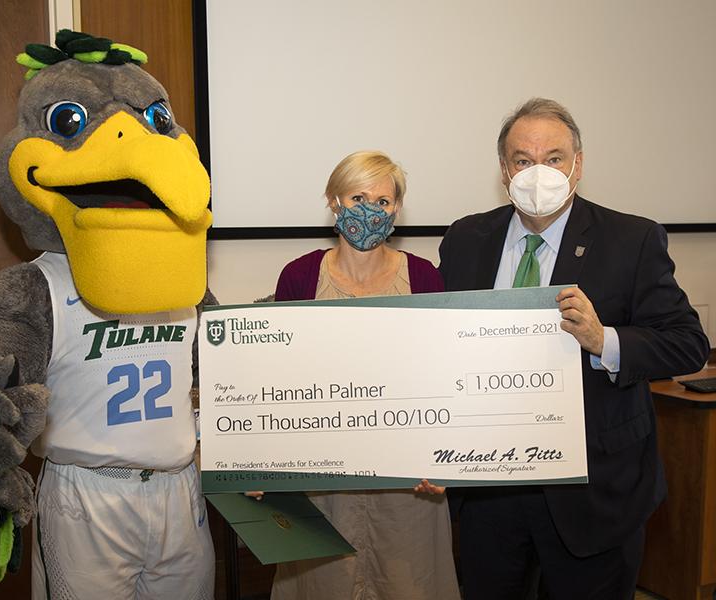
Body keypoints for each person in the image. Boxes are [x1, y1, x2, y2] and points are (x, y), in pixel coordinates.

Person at [434, 98, 710, 599]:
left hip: (594, 490)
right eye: (523, 160)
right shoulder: (465, 239)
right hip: (488, 491)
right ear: (503, 170)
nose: (538, 172)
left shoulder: (632, 238)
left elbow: (688, 343)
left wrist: (605, 340)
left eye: (554, 158)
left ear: (578, 165)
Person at [269, 150, 461, 600]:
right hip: (321, 477)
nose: (370, 210)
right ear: (334, 201)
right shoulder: (298, 277)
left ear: (397, 209)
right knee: (322, 583)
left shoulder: (424, 277)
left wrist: (447, 456)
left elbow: (445, 374)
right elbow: (275, 381)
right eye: (358, 196)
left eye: (384, 200)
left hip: (409, 481)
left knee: (410, 582)